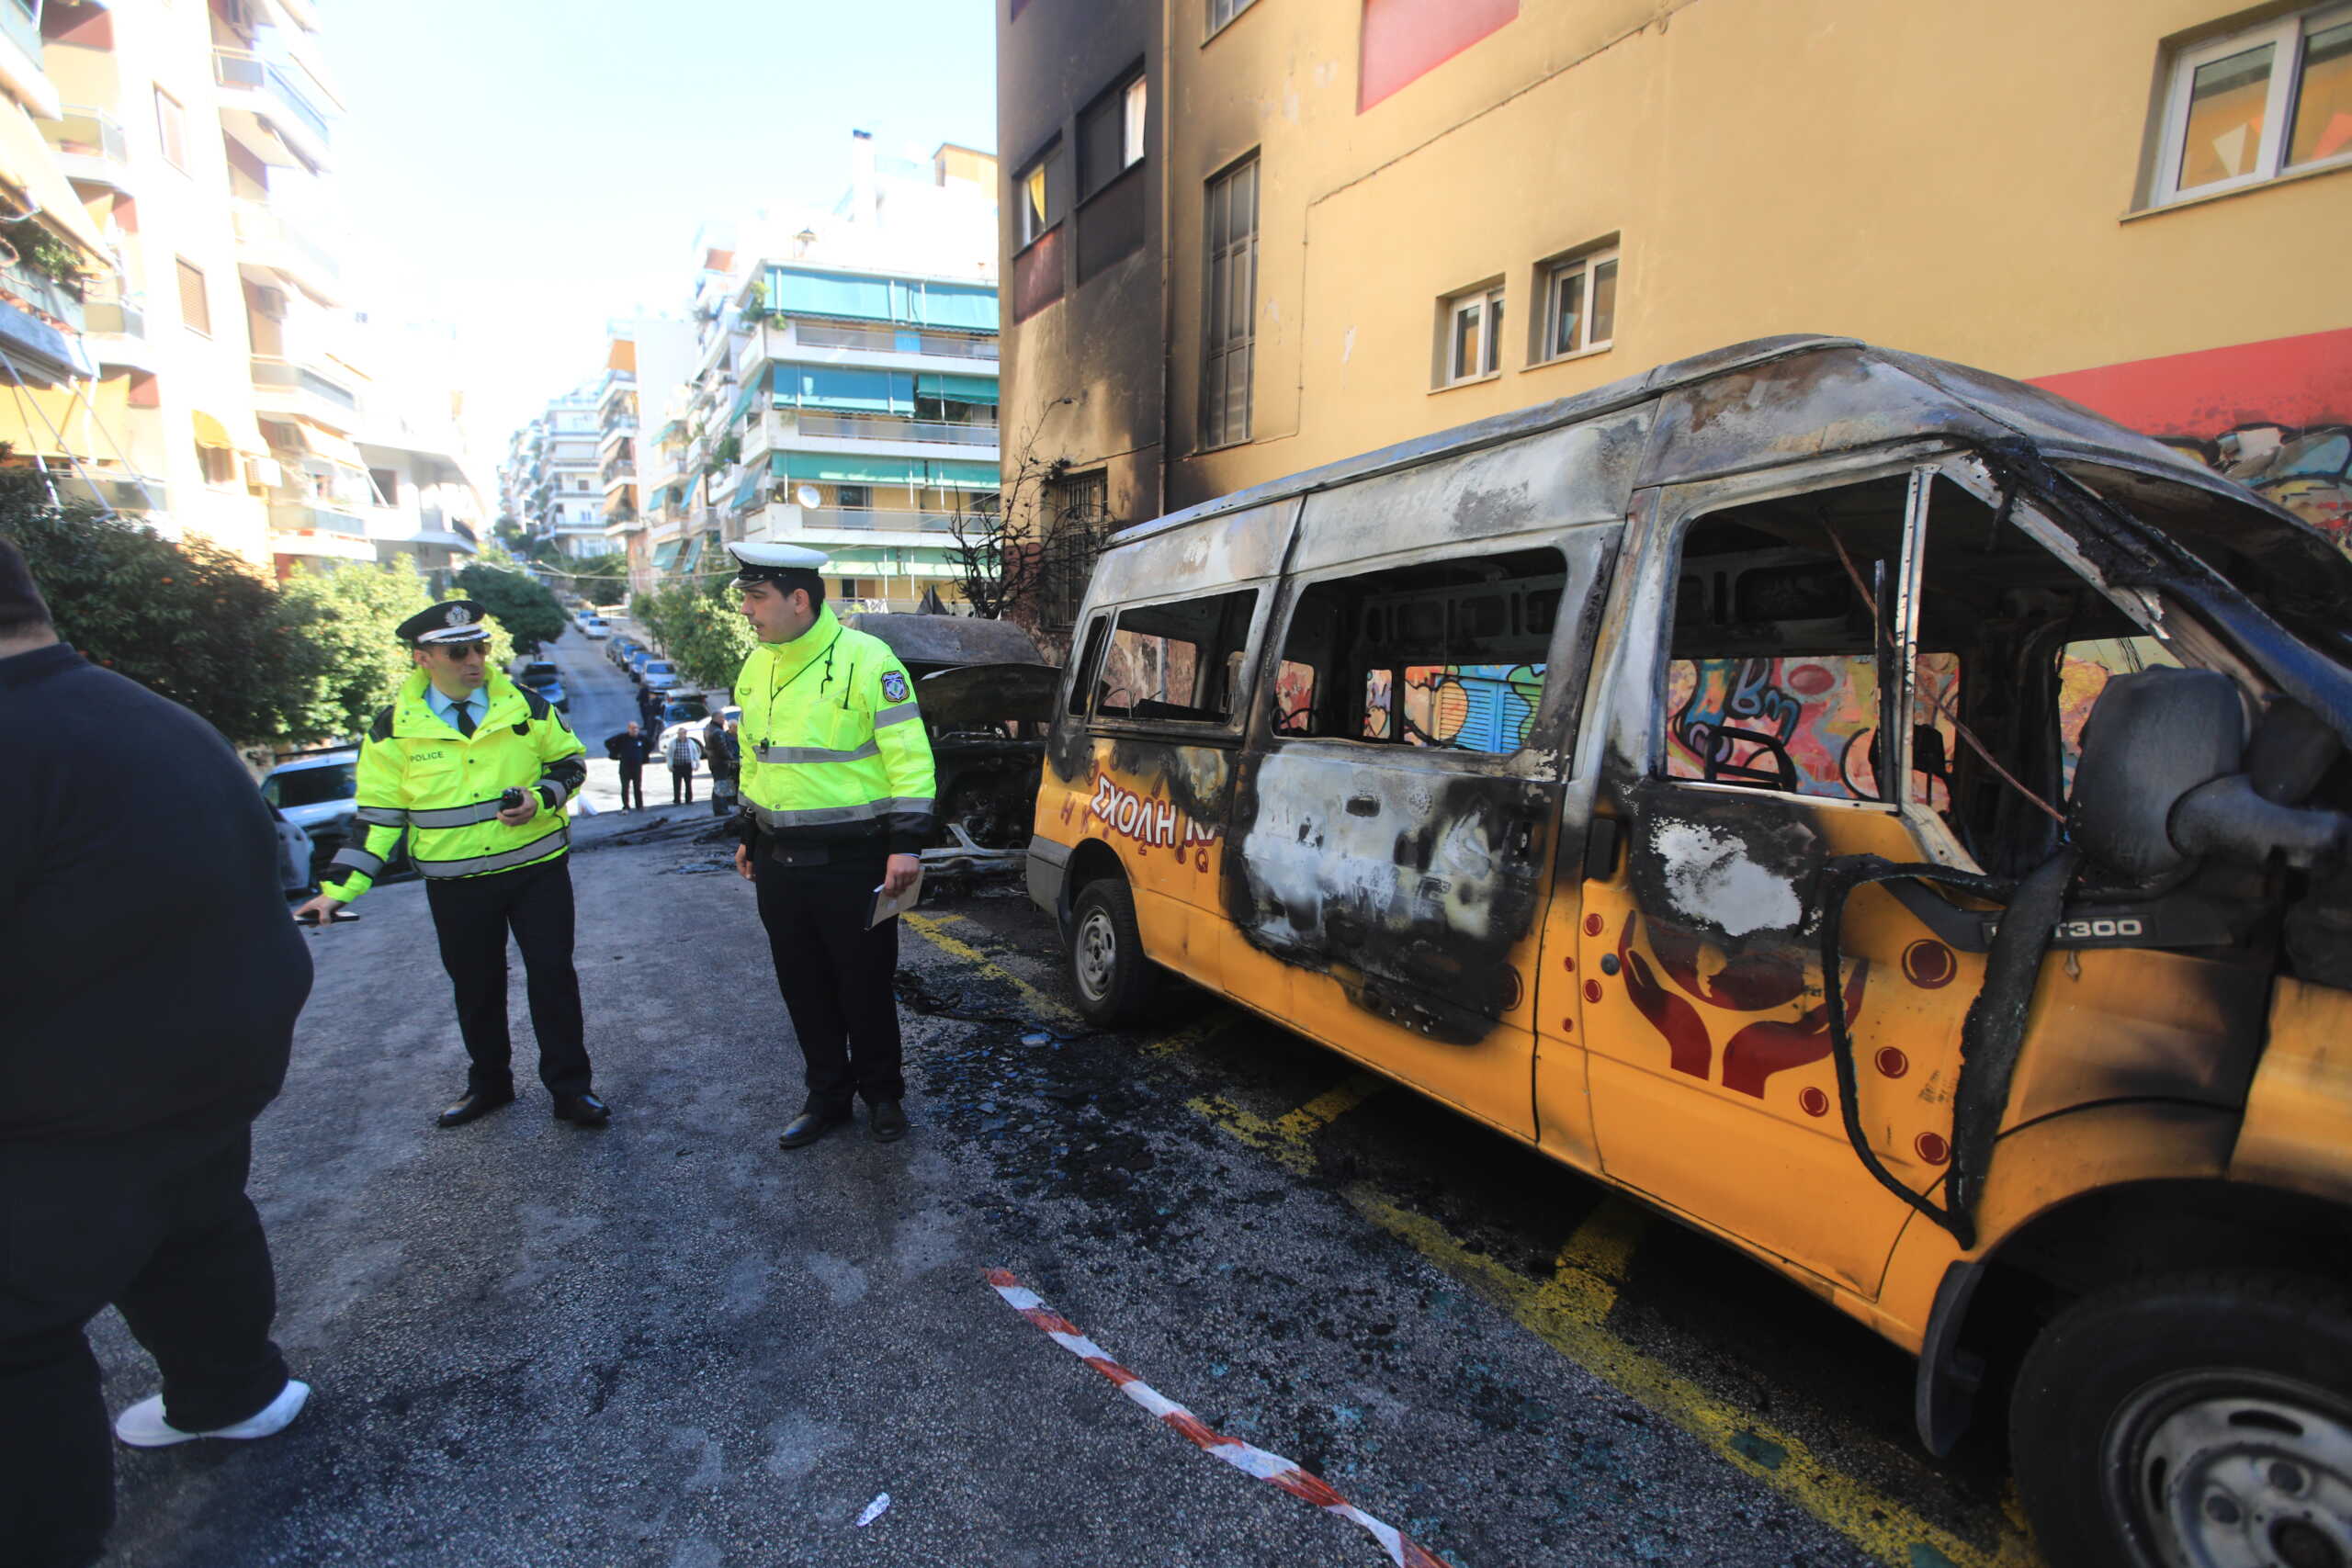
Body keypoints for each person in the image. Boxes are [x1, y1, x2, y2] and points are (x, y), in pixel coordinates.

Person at [0, 538, 313, 1568]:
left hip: (73, 1095)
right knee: (191, 1217)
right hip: (217, 1054)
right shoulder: (146, 711)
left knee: (16, 1321)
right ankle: (234, 1390)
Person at [293, 601, 610, 1130]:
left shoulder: (526, 705)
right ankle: (490, 1084)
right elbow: (378, 817)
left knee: (553, 979)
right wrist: (338, 891)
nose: (476, 661)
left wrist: (541, 797)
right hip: (457, 884)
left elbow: (572, 764)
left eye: (481, 648)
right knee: (476, 986)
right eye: (459, 651)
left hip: (537, 872)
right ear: (423, 659)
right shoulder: (391, 729)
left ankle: (571, 1090)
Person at [726, 542, 933, 1149]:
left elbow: (911, 760)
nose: (746, 609)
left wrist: (906, 845)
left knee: (864, 984)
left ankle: (883, 1094)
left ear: (798, 599)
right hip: (778, 861)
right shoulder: (755, 664)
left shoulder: (869, 660)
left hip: (854, 861)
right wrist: (747, 834)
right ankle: (828, 1096)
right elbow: (751, 760)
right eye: (745, 596)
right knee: (802, 985)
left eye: (756, 596)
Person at [604, 720, 652, 811]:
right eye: (633, 728)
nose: (635, 730)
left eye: (636, 728)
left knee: (637, 787)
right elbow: (607, 742)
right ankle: (626, 805)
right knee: (625, 787)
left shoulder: (641, 738)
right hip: (625, 767)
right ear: (629, 729)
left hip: (637, 767)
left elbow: (650, 745)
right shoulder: (622, 737)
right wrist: (615, 753)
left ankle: (639, 805)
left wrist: (644, 755)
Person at [704, 711, 740, 819]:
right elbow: (722, 748)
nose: (724, 719)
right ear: (716, 718)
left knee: (719, 784)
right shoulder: (717, 732)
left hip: (715, 761)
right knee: (721, 784)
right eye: (722, 717)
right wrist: (731, 758)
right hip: (720, 762)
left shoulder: (709, 728)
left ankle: (721, 808)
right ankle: (722, 808)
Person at [665, 726, 701, 805]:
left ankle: (688, 800)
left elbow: (695, 753)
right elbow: (669, 754)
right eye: (679, 734)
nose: (680, 735)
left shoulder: (690, 742)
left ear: (685, 734)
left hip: (687, 765)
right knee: (677, 784)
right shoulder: (673, 742)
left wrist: (697, 763)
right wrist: (670, 765)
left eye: (682, 734)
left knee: (688, 783)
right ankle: (677, 800)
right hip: (677, 765)